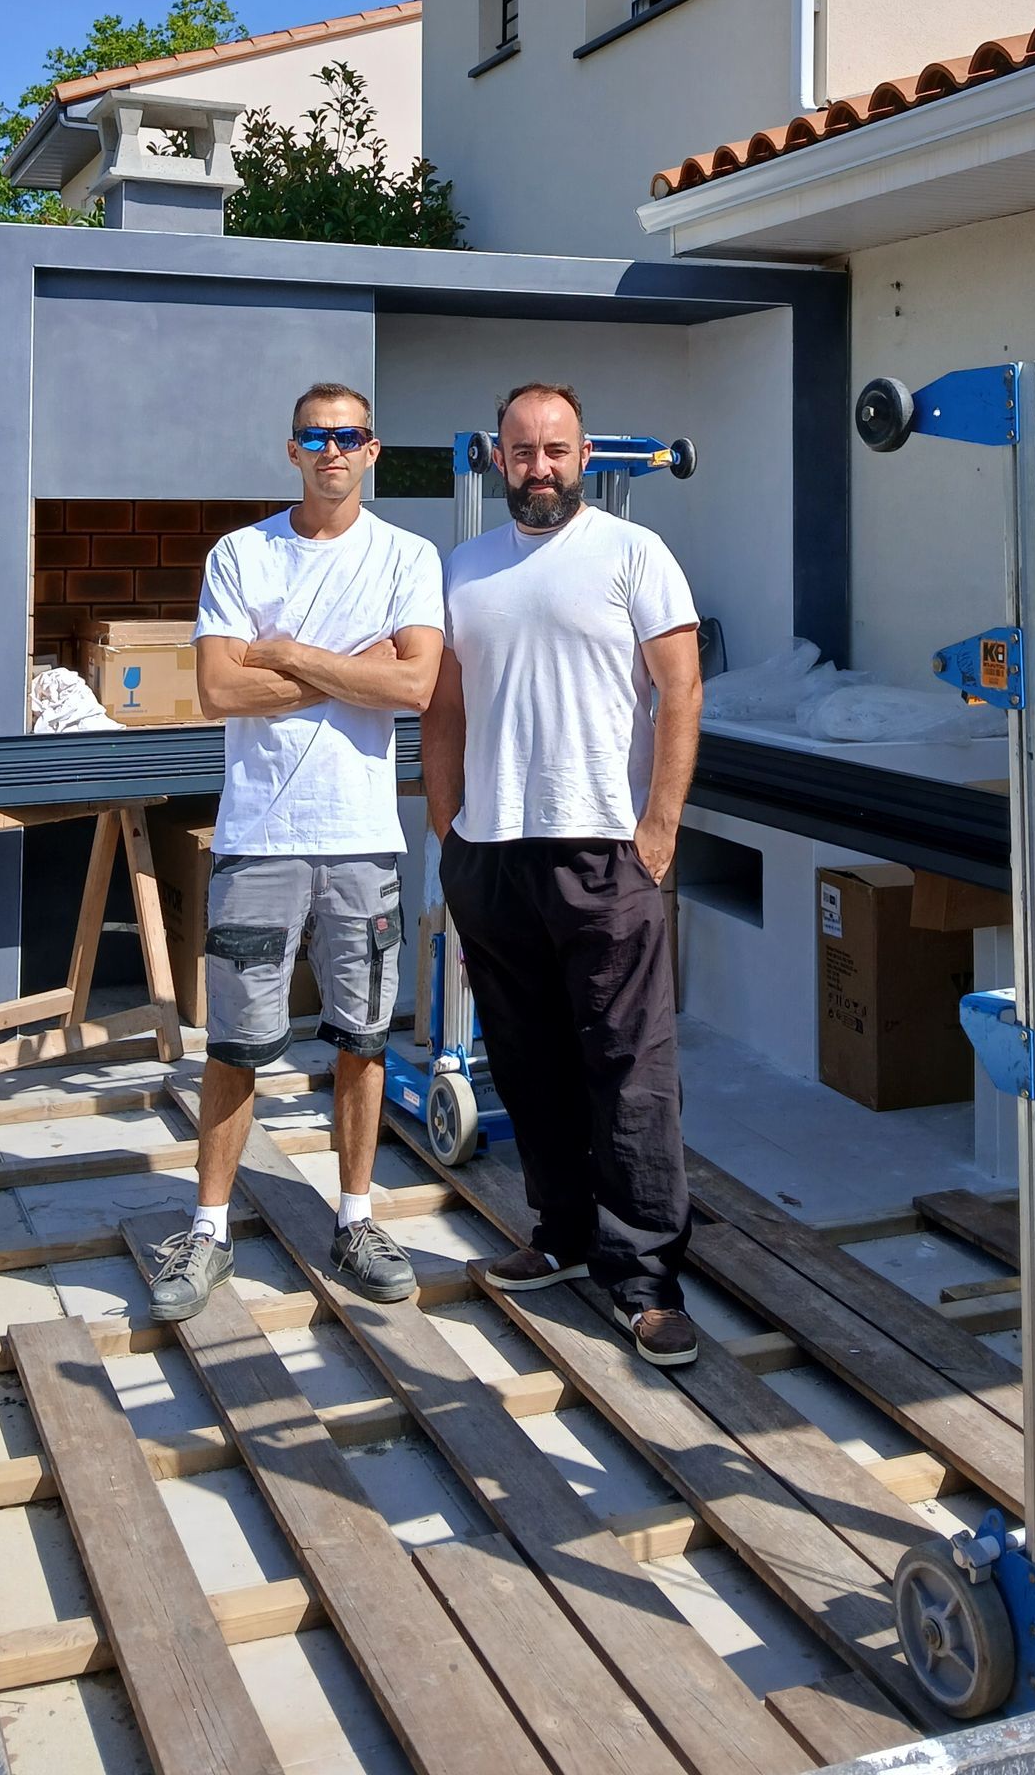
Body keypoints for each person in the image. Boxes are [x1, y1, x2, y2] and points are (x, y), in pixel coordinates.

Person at [147, 383, 444, 1322]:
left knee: (361, 1040)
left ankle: (354, 1219)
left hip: (362, 839)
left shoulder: (408, 554)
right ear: (292, 451)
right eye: (316, 437)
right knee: (236, 1044)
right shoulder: (240, 553)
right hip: (261, 836)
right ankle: (207, 1232)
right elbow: (218, 693)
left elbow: (418, 686)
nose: (332, 450)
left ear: (372, 449)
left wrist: (287, 654)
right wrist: (351, 670)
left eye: (348, 436)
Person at [423, 381, 704, 1365]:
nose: (539, 467)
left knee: (628, 1070)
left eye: (556, 449)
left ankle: (645, 1278)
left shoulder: (634, 555)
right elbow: (446, 704)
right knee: (527, 1058)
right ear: (498, 458)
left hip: (605, 850)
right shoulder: (463, 569)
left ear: (583, 456)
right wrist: (444, 818)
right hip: (492, 852)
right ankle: (561, 1233)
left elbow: (681, 689)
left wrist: (659, 827)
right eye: (522, 450)